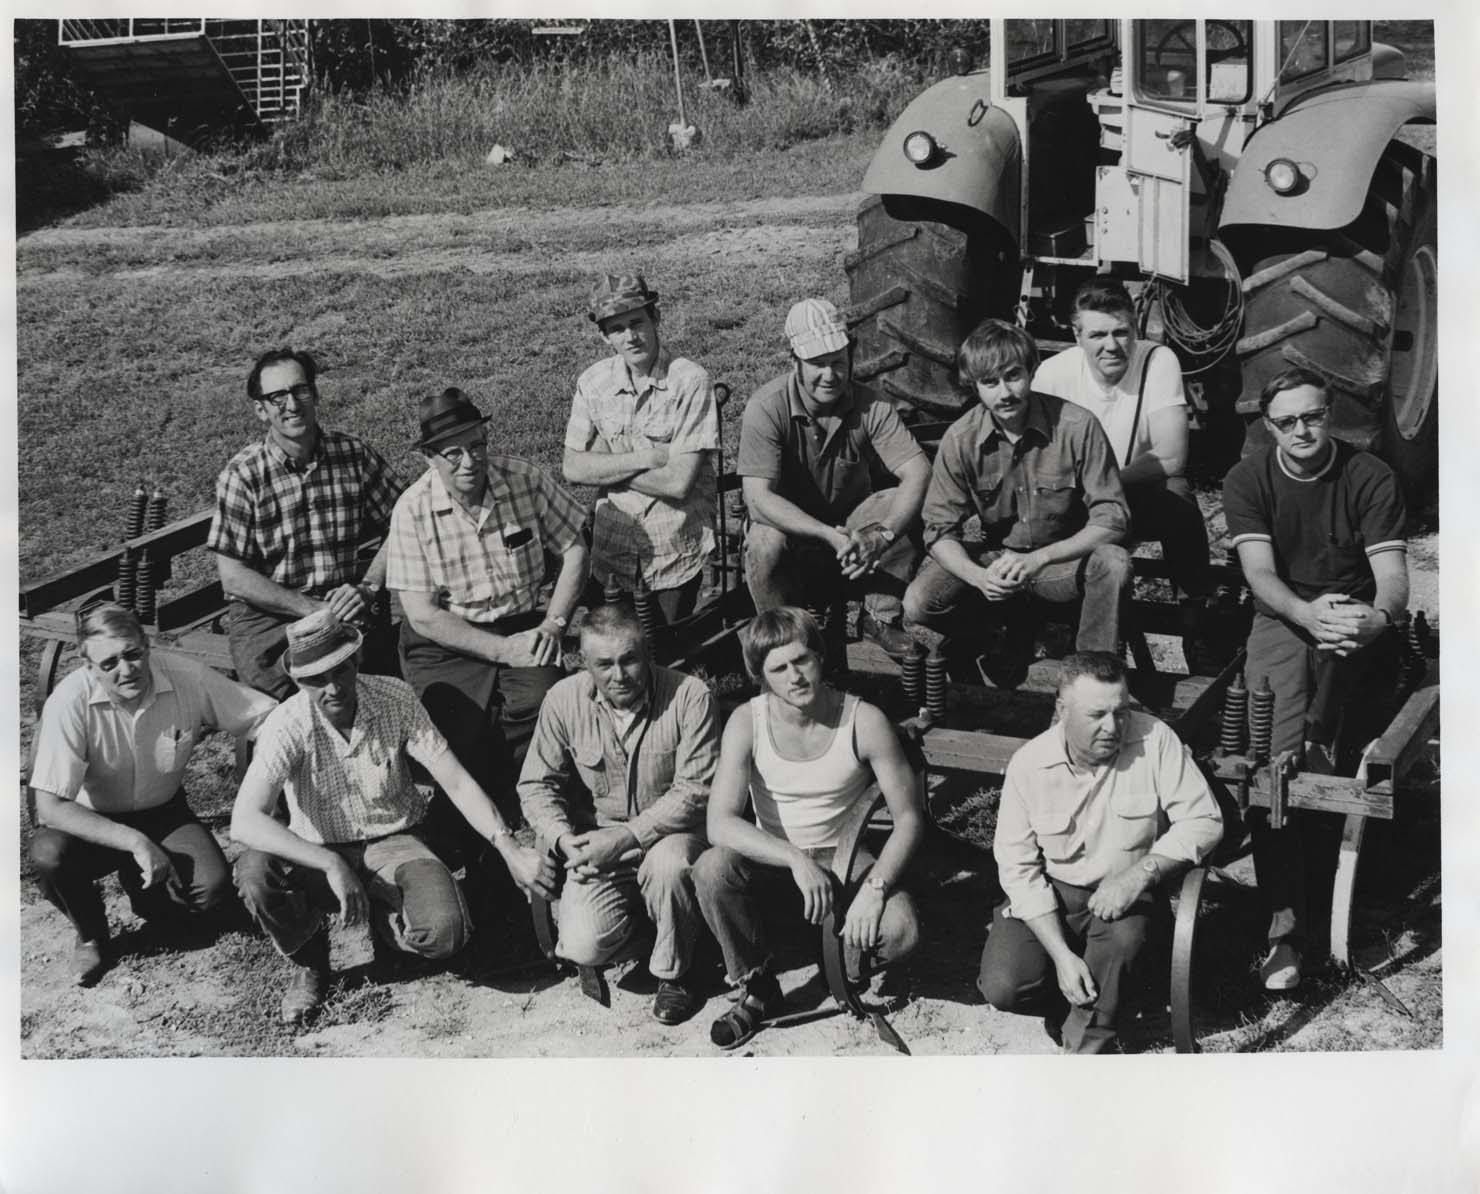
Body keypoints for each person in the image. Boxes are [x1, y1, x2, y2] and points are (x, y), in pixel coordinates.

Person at [231, 610, 557, 1026]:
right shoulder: (287, 723)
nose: (332, 688)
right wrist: (330, 862)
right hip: (318, 849)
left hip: (396, 838)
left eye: (340, 670)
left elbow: (455, 780)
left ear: (356, 660)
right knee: (256, 871)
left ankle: (388, 923)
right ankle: (310, 961)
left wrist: (508, 845)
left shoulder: (394, 696)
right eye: (315, 679)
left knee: (445, 933)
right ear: (297, 680)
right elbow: (244, 820)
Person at [1222, 366, 1409, 991]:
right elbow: (1259, 575)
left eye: (1314, 416)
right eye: (1287, 421)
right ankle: (1284, 932)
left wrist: (1376, 620)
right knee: (1273, 763)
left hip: (1353, 615)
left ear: (1329, 413)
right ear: (1269, 426)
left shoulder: (1369, 475)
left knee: (1342, 755)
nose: (1303, 430)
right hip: (1285, 616)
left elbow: (1392, 577)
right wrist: (1305, 613)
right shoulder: (1248, 479)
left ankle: (1356, 890)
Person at [692, 607, 924, 1050]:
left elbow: (909, 818)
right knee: (711, 868)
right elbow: (719, 822)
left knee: (901, 929)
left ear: (821, 656)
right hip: (778, 861)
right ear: (760, 675)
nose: (794, 676)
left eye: (802, 660)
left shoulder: (864, 720)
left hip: (844, 860)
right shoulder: (748, 720)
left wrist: (874, 890)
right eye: (778, 668)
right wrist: (793, 858)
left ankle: (840, 959)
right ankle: (758, 987)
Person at [978, 651, 1223, 1053]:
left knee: (1122, 941)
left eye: (1121, 712)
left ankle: (1088, 1046)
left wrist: (1140, 874)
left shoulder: (1155, 739)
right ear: (1062, 711)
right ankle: (1079, 995)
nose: (1113, 727)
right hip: (1054, 894)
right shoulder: (1029, 764)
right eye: (1096, 716)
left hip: (1127, 894)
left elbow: (1205, 820)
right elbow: (1017, 866)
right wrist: (1060, 956)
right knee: (1004, 986)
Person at [28, 604, 278, 986]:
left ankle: (147, 892)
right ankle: (91, 934)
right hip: (89, 820)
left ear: (148, 647)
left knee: (211, 892)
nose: (126, 669)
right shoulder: (70, 700)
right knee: (48, 856)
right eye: (109, 663)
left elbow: (265, 717)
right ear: (89, 667)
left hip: (163, 811)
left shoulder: (186, 676)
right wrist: (134, 842)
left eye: (132, 654)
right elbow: (50, 807)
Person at [386, 387, 590, 847]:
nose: (469, 462)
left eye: (476, 446)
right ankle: (474, 826)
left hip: (522, 623)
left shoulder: (525, 480)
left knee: (547, 706)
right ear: (430, 459)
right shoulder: (413, 511)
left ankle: (536, 803)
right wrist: (501, 651)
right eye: (452, 453)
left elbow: (576, 548)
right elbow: (421, 615)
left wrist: (554, 624)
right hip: (444, 641)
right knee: (453, 730)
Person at [903, 319, 1133, 688]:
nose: (1005, 392)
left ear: (1032, 370)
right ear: (974, 385)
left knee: (1114, 563)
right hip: (999, 561)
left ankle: (1092, 680)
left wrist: (1040, 558)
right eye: (990, 383)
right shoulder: (960, 439)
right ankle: (990, 641)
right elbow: (939, 530)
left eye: (1013, 376)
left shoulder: (1077, 427)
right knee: (918, 602)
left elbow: (1113, 518)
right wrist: (978, 577)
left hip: (1059, 564)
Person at [518, 603, 719, 1024]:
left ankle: (676, 975)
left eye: (629, 660)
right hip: (599, 845)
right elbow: (536, 784)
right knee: (580, 946)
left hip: (672, 837)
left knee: (668, 866)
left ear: (647, 653)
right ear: (584, 664)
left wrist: (626, 837)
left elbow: (695, 791)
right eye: (604, 664)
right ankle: (671, 929)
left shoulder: (689, 696)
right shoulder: (562, 699)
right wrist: (561, 838)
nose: (619, 675)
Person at [736, 298, 931, 660]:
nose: (830, 375)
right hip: (794, 534)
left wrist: (882, 534)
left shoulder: (872, 404)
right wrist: (825, 533)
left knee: (903, 500)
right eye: (818, 364)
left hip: (851, 531)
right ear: (794, 360)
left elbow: (918, 471)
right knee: (763, 542)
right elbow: (758, 498)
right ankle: (784, 636)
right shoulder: (767, 407)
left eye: (838, 362)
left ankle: (879, 614)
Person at [207, 347, 404, 700]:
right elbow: (234, 576)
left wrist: (368, 587)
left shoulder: (353, 455)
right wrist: (311, 610)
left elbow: (404, 524)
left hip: (343, 607)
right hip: (271, 620)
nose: (292, 405)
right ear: (261, 410)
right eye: (277, 397)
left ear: (315, 394)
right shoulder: (244, 475)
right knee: (297, 709)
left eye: (300, 390)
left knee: (379, 696)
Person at [1032, 279, 1212, 626]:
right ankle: (1041, 617)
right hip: (1073, 497)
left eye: (1121, 332)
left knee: (1178, 496)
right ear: (1077, 335)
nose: (1111, 346)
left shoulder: (1158, 360)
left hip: (1133, 490)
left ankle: (1195, 617)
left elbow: (1172, 456)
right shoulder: (1054, 373)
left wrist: (1105, 484)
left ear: (1135, 329)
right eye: (1098, 335)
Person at [562, 274, 720, 624]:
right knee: (616, 652)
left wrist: (605, 466)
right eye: (617, 329)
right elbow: (572, 469)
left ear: (655, 318)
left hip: (673, 550)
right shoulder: (593, 383)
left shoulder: (689, 381)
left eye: (637, 323)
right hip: (610, 551)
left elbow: (678, 483)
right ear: (605, 336)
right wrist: (646, 458)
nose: (630, 337)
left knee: (664, 655)